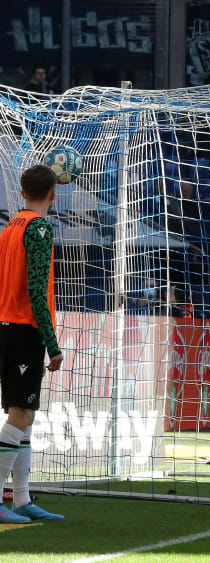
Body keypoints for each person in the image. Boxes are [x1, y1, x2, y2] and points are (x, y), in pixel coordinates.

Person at [0, 165, 65, 523]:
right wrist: (51, 344)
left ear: (23, 192)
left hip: (8, 326)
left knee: (24, 415)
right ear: (53, 194)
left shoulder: (9, 227)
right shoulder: (39, 228)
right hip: (24, 328)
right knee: (20, 414)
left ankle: (22, 499)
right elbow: (37, 291)